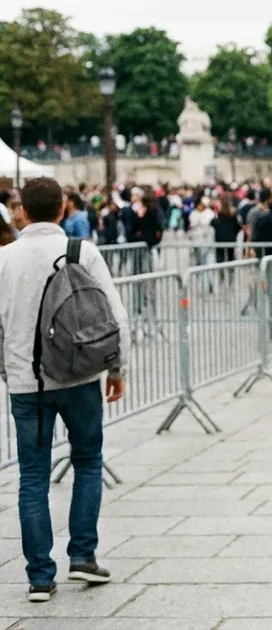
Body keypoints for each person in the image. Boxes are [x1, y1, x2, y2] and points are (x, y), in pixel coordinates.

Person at [0, 177, 130, 602]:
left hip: (26, 383)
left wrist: (8, 370)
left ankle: (40, 576)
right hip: (78, 375)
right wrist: (117, 369)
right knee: (88, 461)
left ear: (24, 212)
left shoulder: (5, 259)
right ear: (62, 209)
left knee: (32, 478)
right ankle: (83, 557)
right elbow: (115, 314)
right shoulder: (82, 251)